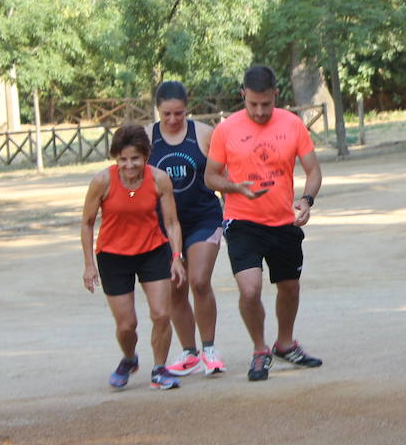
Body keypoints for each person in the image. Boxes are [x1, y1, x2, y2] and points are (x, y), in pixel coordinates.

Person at [205, 65, 324, 378]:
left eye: (266, 104)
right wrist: (234, 187)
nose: (259, 111)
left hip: (283, 221)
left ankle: (284, 343)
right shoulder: (226, 130)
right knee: (250, 290)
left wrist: (306, 201)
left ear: (276, 95)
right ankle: (260, 350)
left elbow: (313, 171)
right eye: (252, 104)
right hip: (242, 221)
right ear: (243, 95)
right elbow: (210, 177)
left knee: (289, 286)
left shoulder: (293, 124)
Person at [81, 124, 187, 390]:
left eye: (135, 159)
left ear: (146, 157)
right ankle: (129, 358)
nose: (129, 165)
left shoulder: (159, 179)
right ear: (116, 158)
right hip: (113, 256)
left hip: (152, 251)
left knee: (162, 315)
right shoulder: (102, 182)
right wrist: (88, 265)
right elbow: (87, 223)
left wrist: (176, 257)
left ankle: (159, 369)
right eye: (123, 159)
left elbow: (172, 223)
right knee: (127, 325)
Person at [150, 81, 226, 377]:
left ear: (187, 108)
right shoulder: (147, 139)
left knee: (199, 280)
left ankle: (209, 348)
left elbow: (223, 177)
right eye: (166, 114)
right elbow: (135, 183)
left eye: (178, 113)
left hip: (203, 218)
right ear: (158, 110)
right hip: (164, 226)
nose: (172, 120)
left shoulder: (205, 134)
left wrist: (232, 214)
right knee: (175, 289)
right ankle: (189, 353)